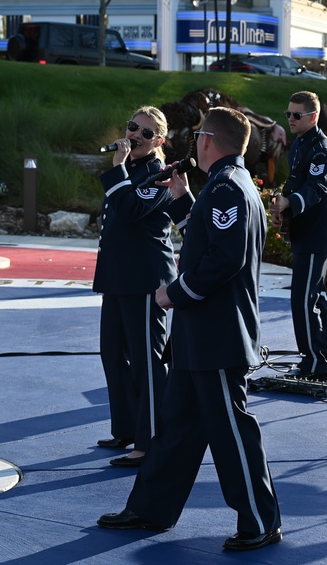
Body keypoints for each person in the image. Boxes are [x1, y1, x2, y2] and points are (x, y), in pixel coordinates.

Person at [98, 107, 282, 552]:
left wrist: (173, 294)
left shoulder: (227, 187)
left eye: (198, 135)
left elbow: (223, 260)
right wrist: (182, 198)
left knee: (232, 430)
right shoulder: (224, 186)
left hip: (216, 335)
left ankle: (260, 520)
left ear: (207, 141)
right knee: (176, 429)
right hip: (199, 336)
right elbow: (204, 236)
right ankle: (150, 508)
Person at [93, 107, 178, 467]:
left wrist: (118, 165)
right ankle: (126, 428)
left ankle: (151, 440)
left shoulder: (160, 175)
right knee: (111, 353)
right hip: (118, 276)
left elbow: (128, 209)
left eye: (145, 133)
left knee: (147, 361)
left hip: (145, 279)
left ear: (158, 141)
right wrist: (122, 166)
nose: (135, 137)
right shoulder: (130, 171)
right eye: (132, 128)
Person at [269, 91, 327, 382]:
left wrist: (291, 203)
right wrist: (281, 203)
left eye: (296, 115)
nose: (289, 119)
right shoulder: (301, 144)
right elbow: (295, 182)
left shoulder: (323, 150)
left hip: (317, 235)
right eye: (287, 114)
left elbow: (316, 189)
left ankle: (314, 363)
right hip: (307, 231)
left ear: (313, 117)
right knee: (314, 295)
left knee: (303, 298)